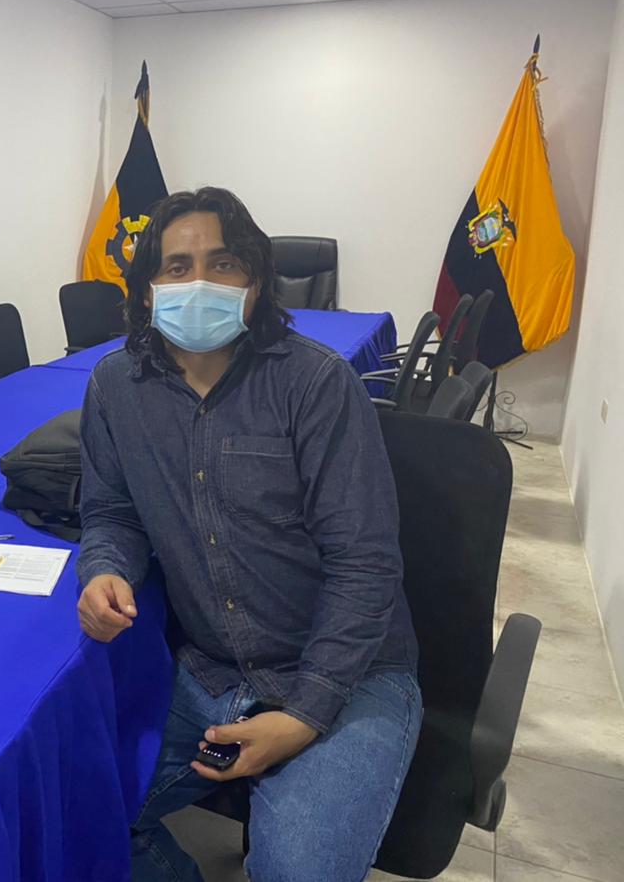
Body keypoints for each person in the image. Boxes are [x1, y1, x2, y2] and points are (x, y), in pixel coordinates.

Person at [75, 187, 421, 881]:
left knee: (296, 871)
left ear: (256, 283)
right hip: (212, 666)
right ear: (146, 290)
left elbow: (365, 564)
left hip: (348, 673)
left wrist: (303, 715)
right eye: (176, 267)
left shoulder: (316, 384)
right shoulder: (116, 386)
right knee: (80, 819)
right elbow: (112, 509)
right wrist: (104, 567)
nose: (198, 282)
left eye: (223, 263)